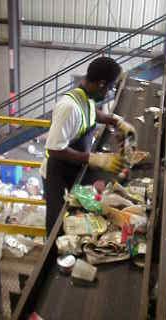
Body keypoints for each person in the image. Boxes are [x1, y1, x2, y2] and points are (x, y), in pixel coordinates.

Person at [40, 57, 136, 236]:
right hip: (57, 174)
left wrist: (115, 121)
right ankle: (55, 260)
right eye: (109, 87)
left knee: (85, 211)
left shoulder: (87, 97)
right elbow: (54, 149)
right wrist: (95, 158)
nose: (109, 92)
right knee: (58, 225)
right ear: (101, 84)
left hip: (73, 167)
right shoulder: (68, 108)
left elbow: (91, 113)